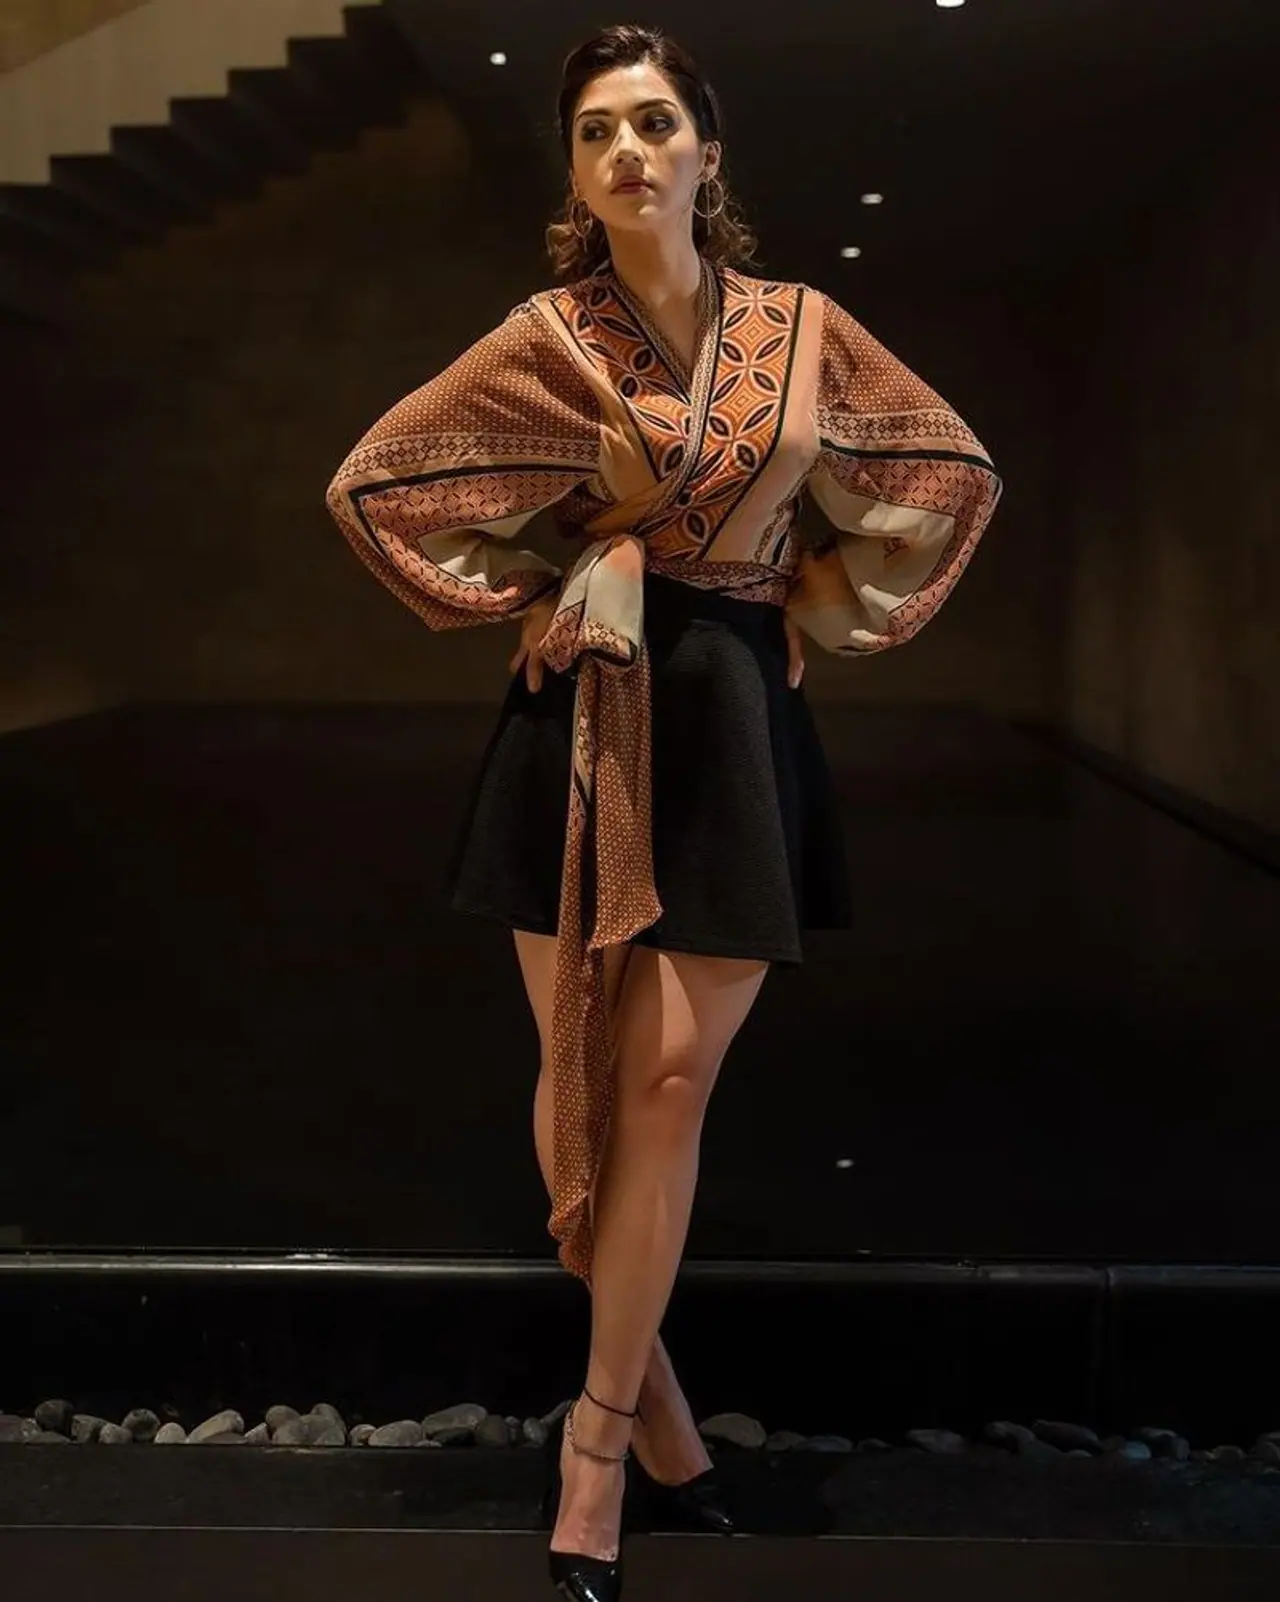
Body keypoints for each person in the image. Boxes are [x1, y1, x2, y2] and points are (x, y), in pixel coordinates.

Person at [325, 22, 1002, 1600]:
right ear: (575, 174)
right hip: (585, 714)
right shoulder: (548, 336)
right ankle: (650, 1429)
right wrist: (546, 581)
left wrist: (807, 592)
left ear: (707, 150)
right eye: (594, 133)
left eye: (651, 123)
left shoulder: (803, 327)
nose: (626, 152)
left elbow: (950, 472)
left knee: (674, 1083)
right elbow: (379, 482)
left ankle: (602, 1428)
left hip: (734, 714)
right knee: (587, 1068)